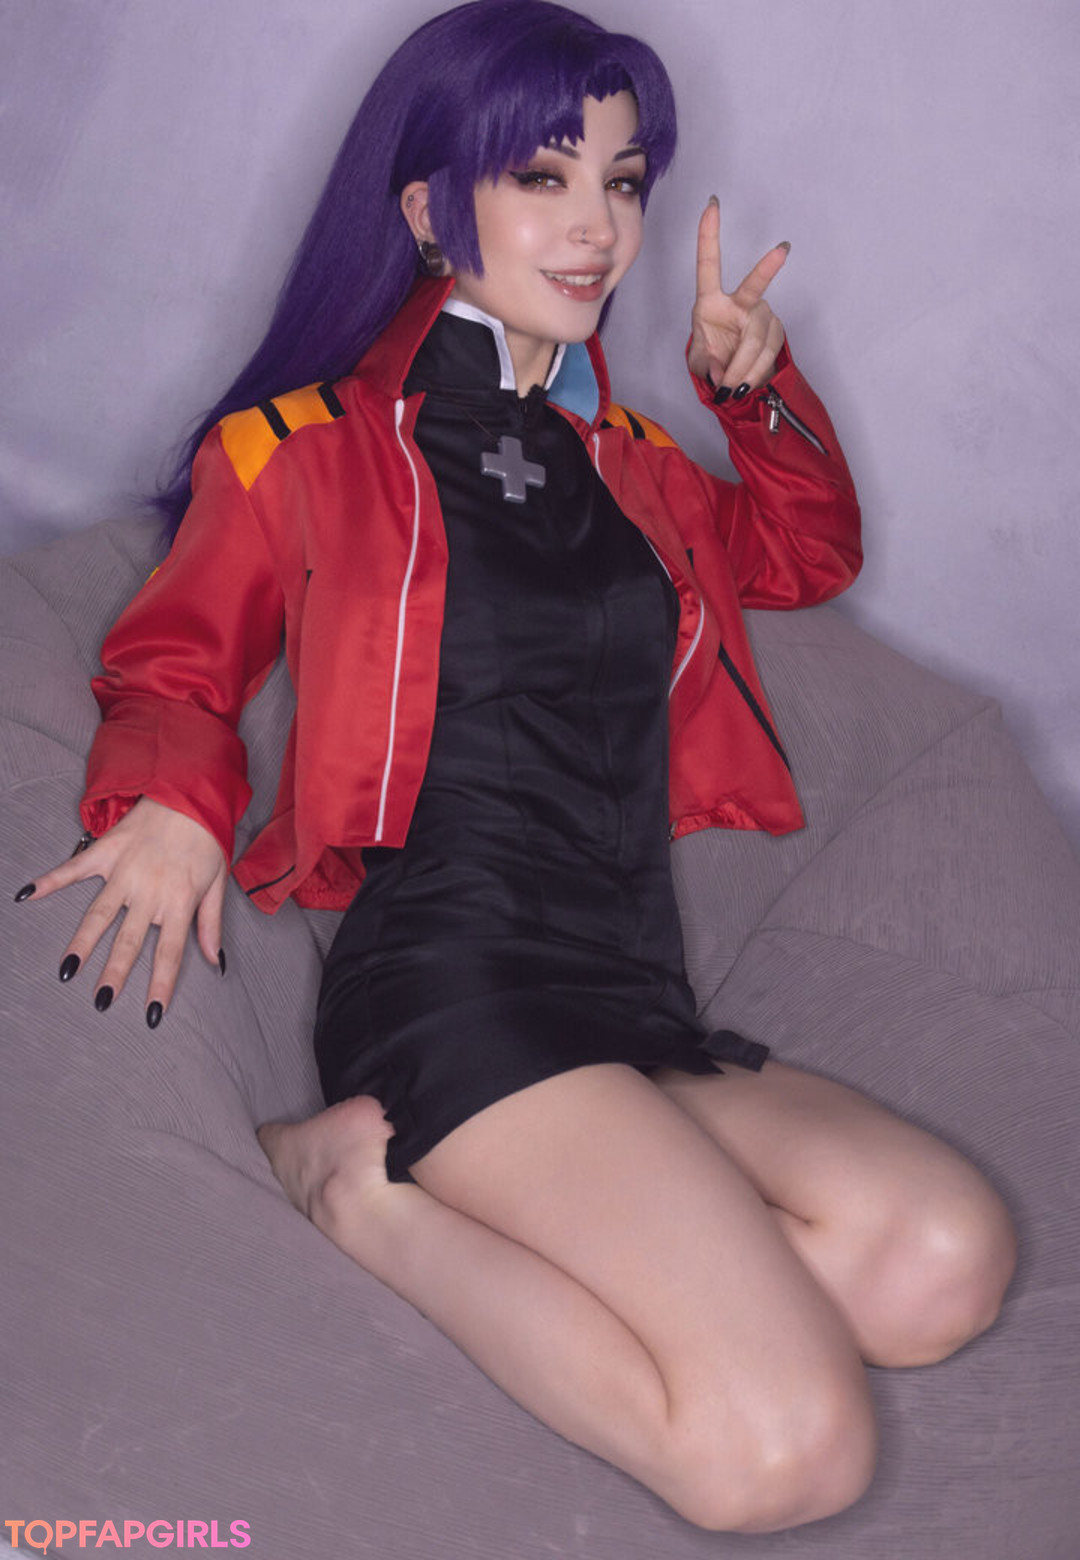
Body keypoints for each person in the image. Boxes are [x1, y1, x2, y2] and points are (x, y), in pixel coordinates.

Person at [15, 0, 1016, 1535]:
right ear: (428, 209)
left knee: (939, 1263)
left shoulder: (635, 464)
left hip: (631, 991)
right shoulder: (305, 449)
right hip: (456, 982)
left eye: (622, 180)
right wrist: (171, 804)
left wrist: (751, 392)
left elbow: (805, 555)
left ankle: (613, 1249)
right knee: (783, 1455)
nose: (596, 224)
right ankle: (360, 1192)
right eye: (543, 176)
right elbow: (176, 663)